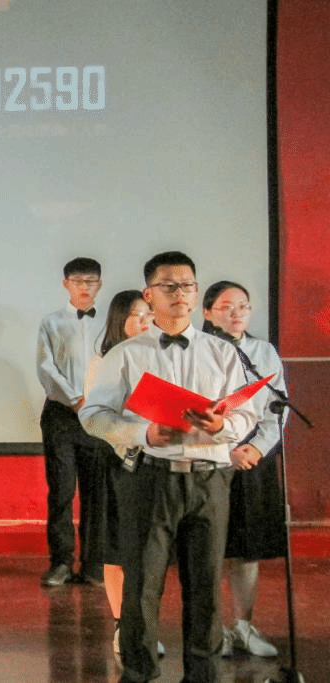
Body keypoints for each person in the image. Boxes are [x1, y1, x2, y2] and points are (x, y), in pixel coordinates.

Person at [81, 251, 257, 683]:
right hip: (150, 478)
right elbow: (93, 415)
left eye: (188, 285)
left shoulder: (223, 352)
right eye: (169, 286)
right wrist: (144, 433)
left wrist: (222, 425)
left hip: (210, 480)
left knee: (205, 585)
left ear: (197, 293)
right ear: (149, 294)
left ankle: (203, 674)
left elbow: (247, 415)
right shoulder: (125, 354)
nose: (180, 293)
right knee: (142, 583)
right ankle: (139, 672)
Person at [202, 281, 287, 659]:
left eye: (243, 306)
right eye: (226, 306)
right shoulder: (198, 350)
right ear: (207, 312)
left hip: (254, 457)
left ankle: (243, 625)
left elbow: (276, 408)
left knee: (247, 547)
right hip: (211, 459)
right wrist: (227, 451)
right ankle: (211, 629)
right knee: (210, 547)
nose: (236, 313)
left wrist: (257, 447)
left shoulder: (263, 351)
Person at [83, 290, 161, 657]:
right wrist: (131, 441)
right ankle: (122, 625)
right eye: (137, 315)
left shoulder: (160, 355)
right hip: (117, 458)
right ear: (119, 319)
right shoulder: (104, 360)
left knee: (150, 549)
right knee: (116, 547)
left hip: (156, 458)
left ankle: (144, 624)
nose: (145, 322)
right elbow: (95, 416)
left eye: (149, 315)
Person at [36, 257, 110, 586]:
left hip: (98, 415)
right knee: (62, 491)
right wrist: (74, 397)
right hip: (61, 415)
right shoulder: (51, 322)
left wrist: (95, 400)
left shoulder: (109, 323)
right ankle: (61, 562)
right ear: (66, 284)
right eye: (78, 281)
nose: (85, 287)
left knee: (97, 494)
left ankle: (94, 564)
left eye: (91, 281)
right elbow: (45, 367)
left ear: (100, 285)